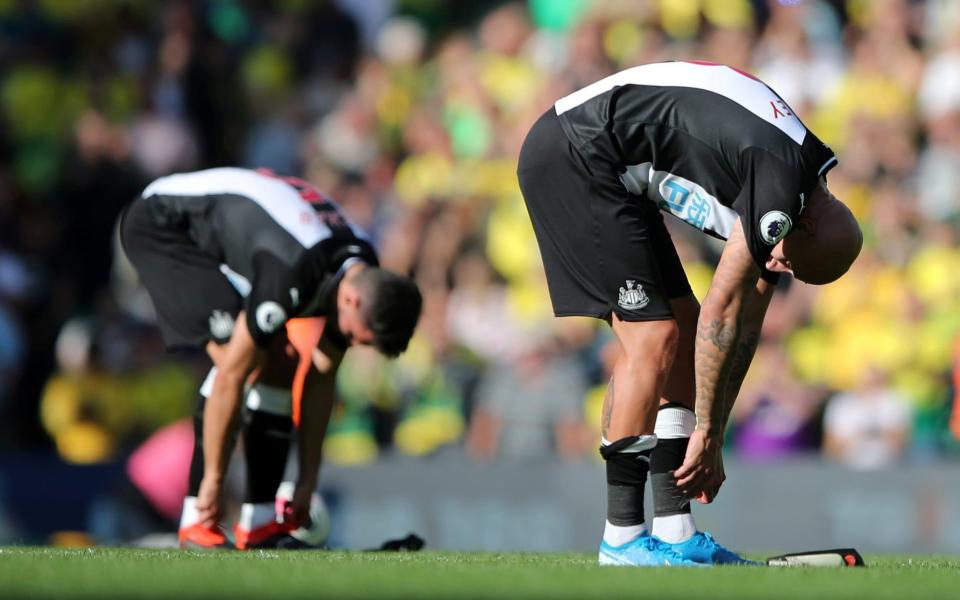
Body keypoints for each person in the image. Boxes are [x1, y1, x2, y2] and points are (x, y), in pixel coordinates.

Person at [517, 61, 862, 566]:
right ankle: (622, 539)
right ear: (803, 230)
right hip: (574, 152)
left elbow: (743, 330)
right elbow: (723, 314)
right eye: (793, 264)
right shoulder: (780, 188)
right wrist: (706, 431)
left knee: (680, 325)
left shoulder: (791, 194)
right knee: (653, 338)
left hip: (613, 167)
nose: (780, 267)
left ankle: (675, 531)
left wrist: (715, 430)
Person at [120, 167, 422, 549]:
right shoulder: (294, 268)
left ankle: (260, 523)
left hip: (243, 234)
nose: (347, 344)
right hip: (162, 227)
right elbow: (231, 376)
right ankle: (197, 519)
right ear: (352, 300)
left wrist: (307, 480)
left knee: (283, 361)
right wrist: (215, 480)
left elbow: (321, 376)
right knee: (243, 361)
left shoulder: (361, 271)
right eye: (352, 337)